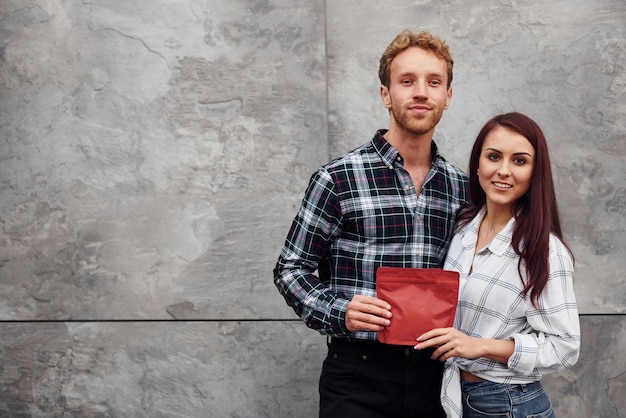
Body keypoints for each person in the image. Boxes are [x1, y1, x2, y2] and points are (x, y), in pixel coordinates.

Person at [273, 30, 469, 418]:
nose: (420, 92)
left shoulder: (462, 187)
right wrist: (339, 310)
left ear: (448, 96)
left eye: (434, 82)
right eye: (407, 81)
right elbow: (290, 269)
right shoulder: (337, 178)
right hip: (357, 373)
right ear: (386, 94)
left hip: (438, 375)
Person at [414, 112, 581, 418]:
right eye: (494, 156)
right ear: (477, 164)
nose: (503, 171)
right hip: (453, 396)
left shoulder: (544, 250)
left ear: (535, 171)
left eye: (519, 161)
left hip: (509, 404)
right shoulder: (462, 228)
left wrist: (480, 346)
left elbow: (565, 347)